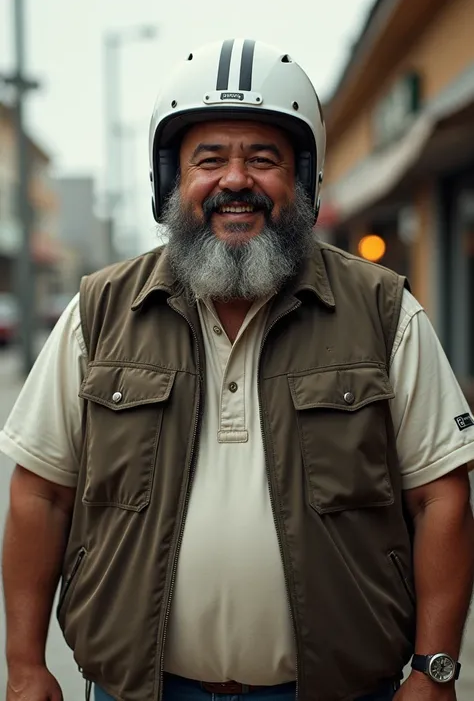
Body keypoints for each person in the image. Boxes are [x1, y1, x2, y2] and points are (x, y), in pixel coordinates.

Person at [1, 38, 474, 701]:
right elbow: (39, 493)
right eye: (209, 159)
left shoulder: (384, 311)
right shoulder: (101, 311)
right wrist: (25, 662)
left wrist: (434, 668)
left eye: (263, 159)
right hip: (139, 691)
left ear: (304, 179)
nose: (235, 180)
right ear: (172, 180)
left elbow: (441, 499)